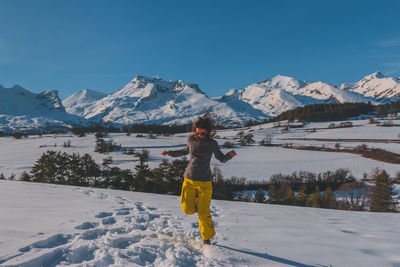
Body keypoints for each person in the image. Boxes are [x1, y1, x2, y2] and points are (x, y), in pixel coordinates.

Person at [162, 113, 236, 245]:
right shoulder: (191, 140)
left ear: (208, 133)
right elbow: (185, 151)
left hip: (205, 183)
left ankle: (206, 239)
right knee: (187, 209)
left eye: (204, 133)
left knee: (204, 213)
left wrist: (229, 155)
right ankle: (199, 204)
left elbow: (221, 158)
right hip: (188, 180)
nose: (201, 135)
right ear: (195, 130)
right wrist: (170, 153)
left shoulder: (212, 144)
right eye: (199, 132)